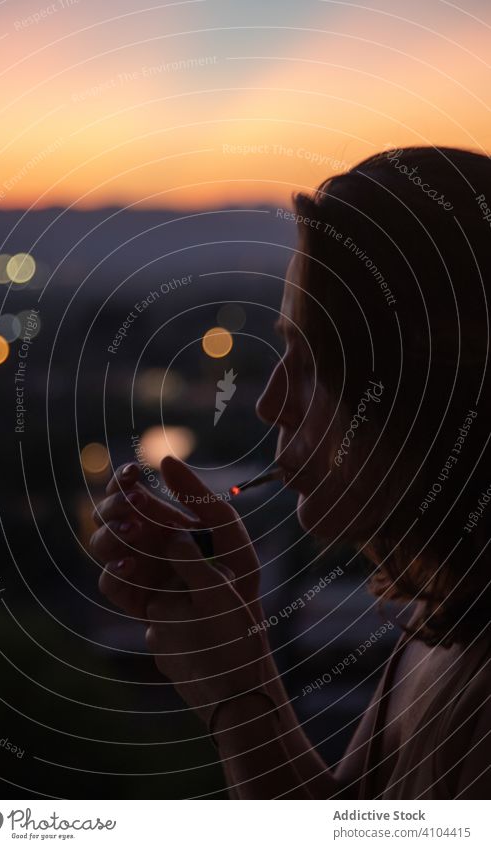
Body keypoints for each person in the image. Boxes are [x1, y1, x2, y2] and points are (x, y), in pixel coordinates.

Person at [90, 146, 491, 798]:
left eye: (311, 363)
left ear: (430, 389)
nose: (271, 402)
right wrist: (238, 677)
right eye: (283, 352)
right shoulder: (440, 619)